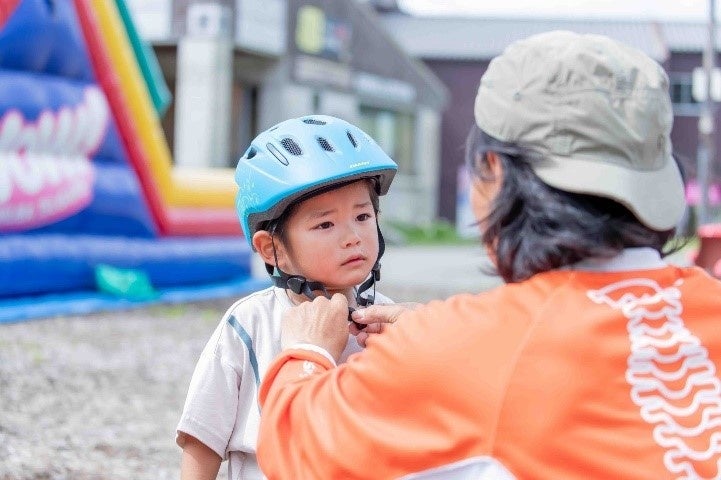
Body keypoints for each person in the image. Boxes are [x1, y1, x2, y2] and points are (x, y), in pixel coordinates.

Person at [255, 31, 721, 479]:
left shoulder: (466, 345)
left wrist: (306, 350)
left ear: (495, 174)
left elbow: (298, 447)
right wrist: (434, 332)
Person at [176, 115, 397, 480]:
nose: (353, 236)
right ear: (271, 247)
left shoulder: (387, 322)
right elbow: (203, 438)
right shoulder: (249, 323)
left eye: (362, 215)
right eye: (325, 224)